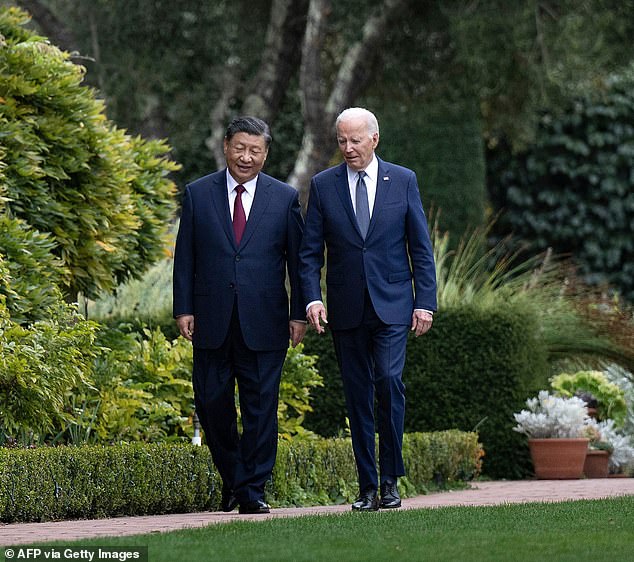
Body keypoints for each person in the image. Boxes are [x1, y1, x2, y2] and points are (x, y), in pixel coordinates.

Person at [299, 107, 437, 511]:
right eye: (342, 140)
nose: (348, 148)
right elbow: (310, 253)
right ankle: (367, 487)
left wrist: (425, 302)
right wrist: (312, 297)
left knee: (390, 383)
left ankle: (391, 480)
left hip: (394, 305)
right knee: (358, 395)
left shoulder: (404, 180)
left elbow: (421, 249)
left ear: (374, 139)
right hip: (346, 309)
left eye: (355, 140)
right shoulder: (324, 186)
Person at [173, 116, 306, 515]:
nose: (246, 157)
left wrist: (299, 313)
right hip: (211, 320)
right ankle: (234, 477)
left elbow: (298, 263)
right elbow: (185, 258)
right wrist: (184, 308)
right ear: (226, 146)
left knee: (261, 408)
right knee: (212, 404)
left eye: (256, 150)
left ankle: (251, 491)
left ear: (265, 153)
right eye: (240, 148)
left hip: (265, 321)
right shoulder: (198, 194)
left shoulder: (284, 198)